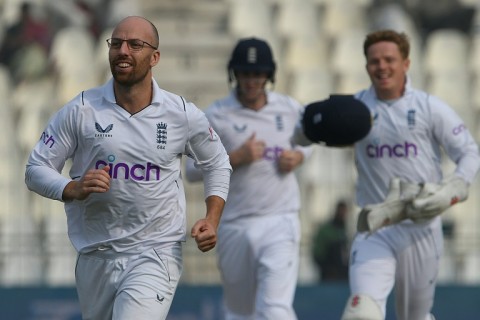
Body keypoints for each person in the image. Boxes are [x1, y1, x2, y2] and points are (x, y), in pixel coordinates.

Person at [24, 16, 232, 320]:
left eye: (135, 45)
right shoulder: (81, 109)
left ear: (155, 57)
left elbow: (217, 162)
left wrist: (212, 219)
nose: (123, 50)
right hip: (95, 254)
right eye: (116, 43)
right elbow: (35, 169)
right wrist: (72, 188)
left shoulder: (181, 114)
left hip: (155, 251)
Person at [339, 30, 480, 320]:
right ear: (366, 66)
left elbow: (469, 152)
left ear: (406, 63)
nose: (382, 67)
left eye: (389, 59)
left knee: (415, 317)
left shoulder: (429, 107)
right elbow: (312, 133)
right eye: (374, 61)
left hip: (421, 228)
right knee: (361, 313)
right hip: (375, 226)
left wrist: (450, 190)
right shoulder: (354, 110)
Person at [185, 37, 312, 319]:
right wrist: (235, 158)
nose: (252, 80)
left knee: (275, 309)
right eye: (245, 74)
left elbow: (309, 141)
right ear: (234, 75)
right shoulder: (217, 115)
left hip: (281, 219)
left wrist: (299, 157)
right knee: (240, 311)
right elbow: (191, 171)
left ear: (269, 75)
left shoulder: (289, 108)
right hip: (234, 224)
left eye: (258, 74)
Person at [311, 199, 350, 282]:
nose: (343, 214)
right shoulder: (326, 230)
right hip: (328, 271)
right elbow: (318, 253)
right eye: (342, 211)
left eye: (345, 211)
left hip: (340, 273)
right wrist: (328, 269)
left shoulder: (343, 229)